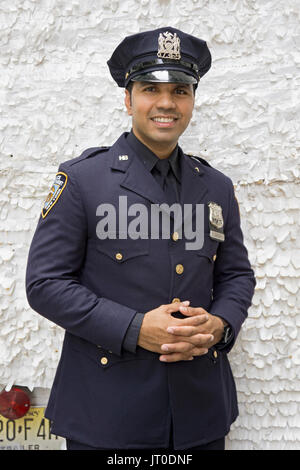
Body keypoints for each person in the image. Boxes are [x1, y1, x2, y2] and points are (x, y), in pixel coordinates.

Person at [25, 26, 256, 451]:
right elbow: (45, 285)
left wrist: (220, 324)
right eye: (151, 88)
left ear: (192, 100)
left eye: (181, 90)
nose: (167, 102)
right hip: (107, 413)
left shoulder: (217, 186)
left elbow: (237, 275)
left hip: (199, 413)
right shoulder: (82, 181)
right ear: (128, 99)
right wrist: (135, 328)